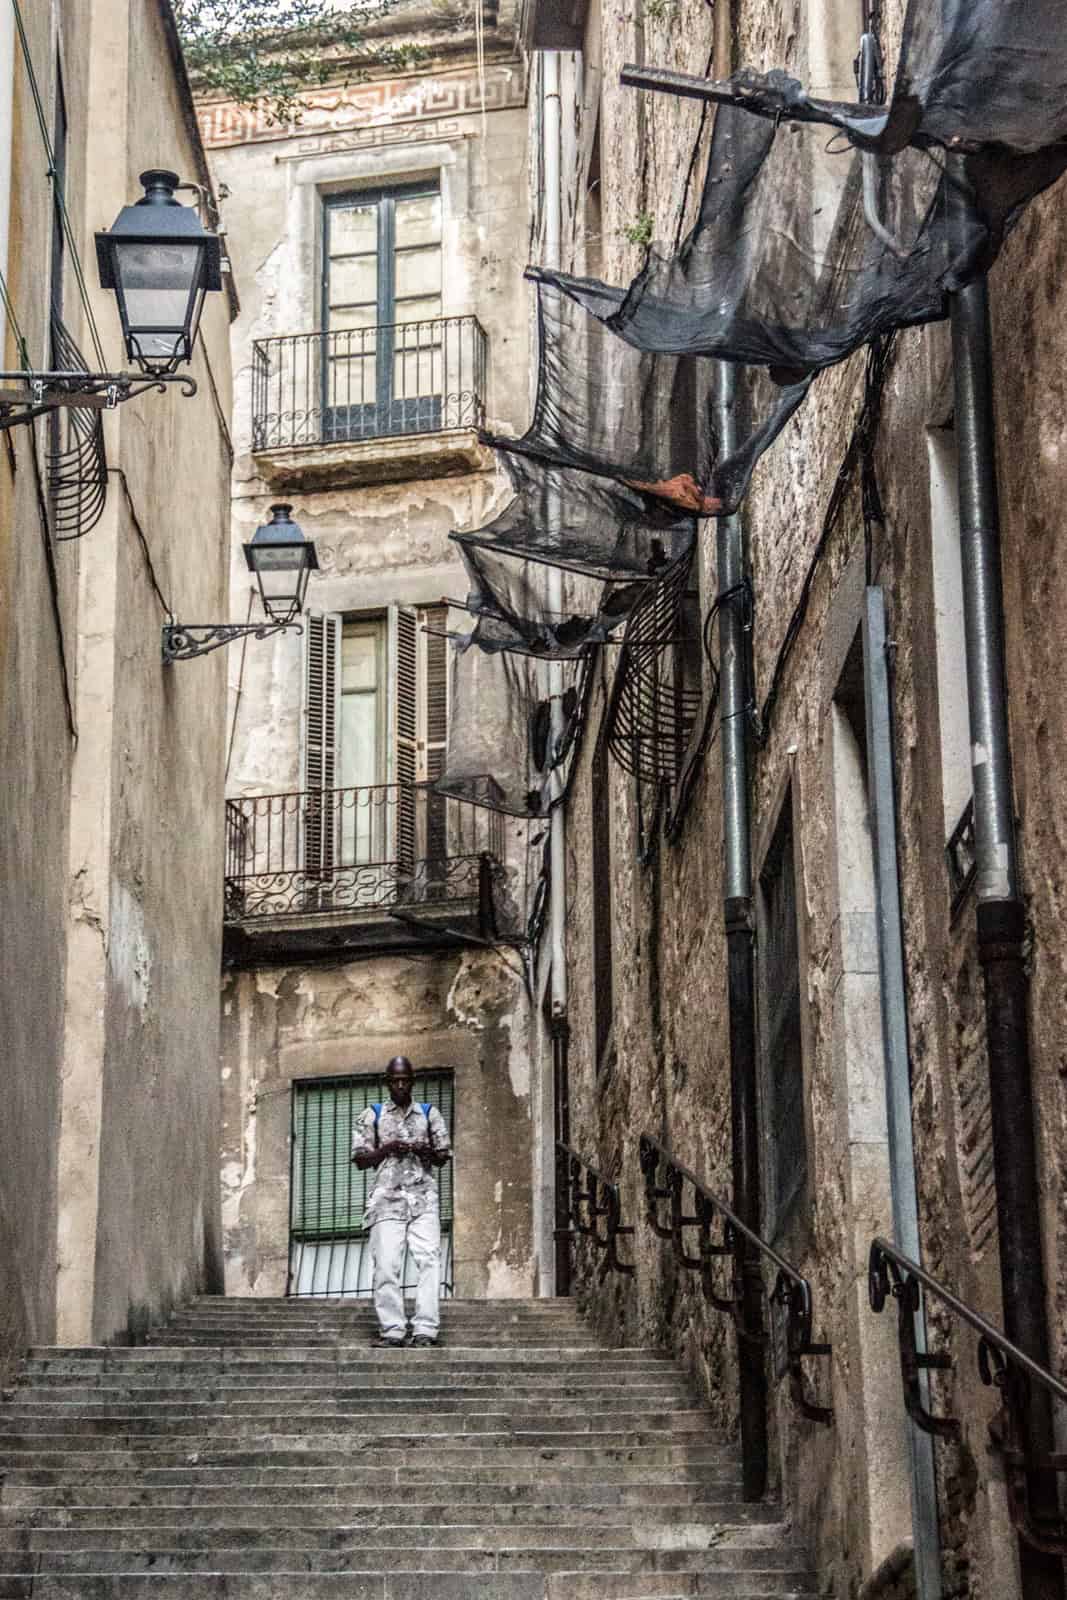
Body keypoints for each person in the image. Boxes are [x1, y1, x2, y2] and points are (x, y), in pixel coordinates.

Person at [351, 1056, 452, 1347]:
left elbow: (443, 1156)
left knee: (429, 1261)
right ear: (387, 1082)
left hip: (423, 1199)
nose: (400, 1085)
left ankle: (425, 1330)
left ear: (412, 1082)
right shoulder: (373, 1114)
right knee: (385, 1265)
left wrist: (425, 1151)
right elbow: (360, 1159)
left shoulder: (429, 1113)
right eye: (395, 1080)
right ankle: (393, 1330)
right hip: (386, 1201)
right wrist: (390, 1147)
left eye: (405, 1080)